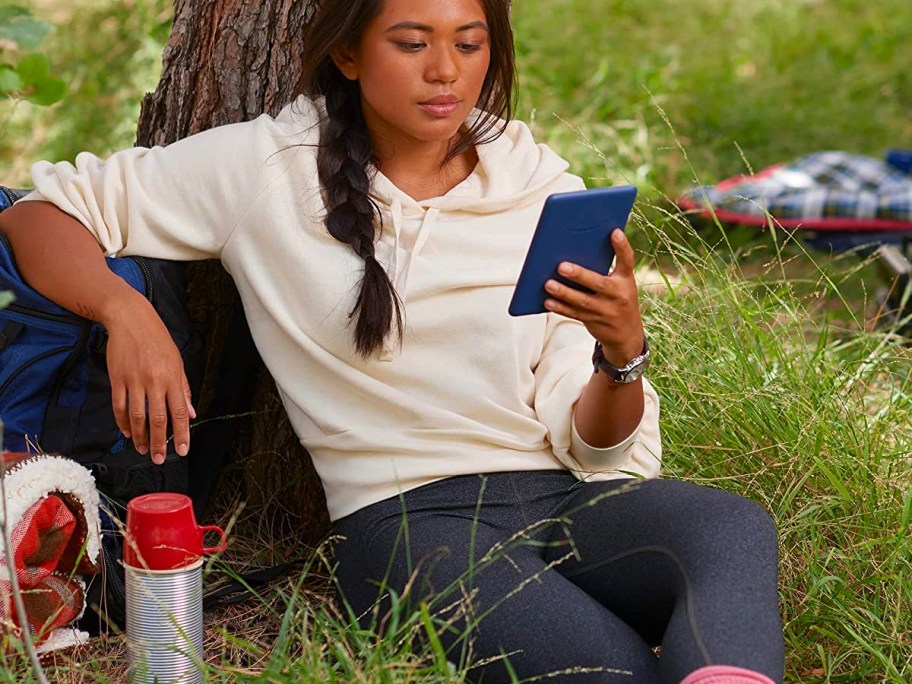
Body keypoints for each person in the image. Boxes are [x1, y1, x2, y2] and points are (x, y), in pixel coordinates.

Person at [0, 0, 785, 681]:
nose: (445, 70)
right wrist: (124, 313)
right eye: (411, 43)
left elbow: (595, 446)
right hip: (408, 524)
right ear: (348, 53)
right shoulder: (267, 169)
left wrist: (621, 354)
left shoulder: (539, 186)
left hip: (565, 498)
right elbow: (38, 215)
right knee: (609, 668)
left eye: (469, 44)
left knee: (730, 527)